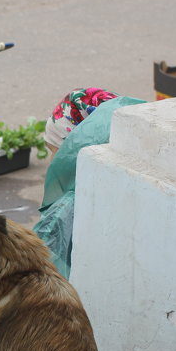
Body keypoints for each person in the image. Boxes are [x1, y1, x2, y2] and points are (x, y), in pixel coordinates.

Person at [34, 89, 145, 277]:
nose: (51, 162)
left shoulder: (65, 211)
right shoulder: (134, 181)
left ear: (72, 148)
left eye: (54, 150)